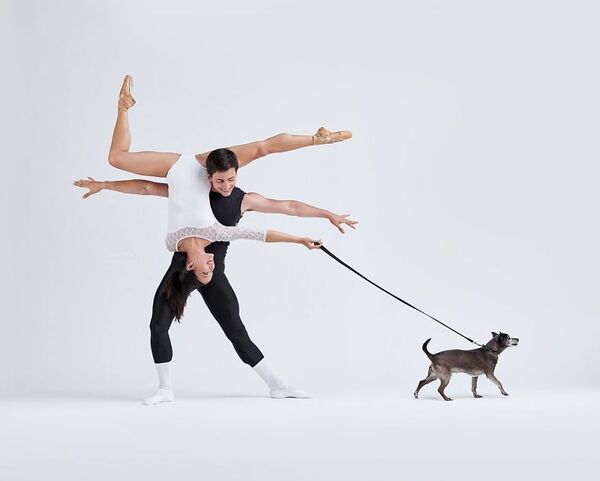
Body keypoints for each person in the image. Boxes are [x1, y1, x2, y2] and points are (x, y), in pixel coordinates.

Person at [74, 75, 354, 404]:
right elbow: (149, 187)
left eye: (230, 180)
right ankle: (165, 388)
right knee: (118, 159)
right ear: (209, 177)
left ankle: (277, 384)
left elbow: (281, 199)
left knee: (234, 328)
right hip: (190, 200)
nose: (225, 186)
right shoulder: (200, 189)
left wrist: (318, 166)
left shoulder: (232, 202)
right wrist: (106, 184)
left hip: (194, 241)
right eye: (220, 181)